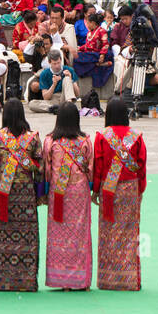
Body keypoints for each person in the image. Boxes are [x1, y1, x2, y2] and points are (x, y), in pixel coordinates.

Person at [0, 98, 43, 292]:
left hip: (4, 195)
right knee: (28, 237)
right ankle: (26, 281)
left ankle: (4, 281)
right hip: (26, 195)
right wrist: (38, 191)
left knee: (4, 236)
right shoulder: (33, 138)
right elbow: (40, 169)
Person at [93, 96, 147, 291]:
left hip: (109, 190)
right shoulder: (137, 136)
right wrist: (139, 189)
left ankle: (108, 279)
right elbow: (141, 166)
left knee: (108, 233)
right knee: (130, 233)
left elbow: (98, 166)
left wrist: (96, 189)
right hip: (130, 189)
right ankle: (129, 279)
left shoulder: (102, 136)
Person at [42, 101, 93, 290]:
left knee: (59, 234)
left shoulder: (51, 142)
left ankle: (61, 280)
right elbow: (90, 168)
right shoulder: (85, 141)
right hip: (79, 194)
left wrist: (46, 190)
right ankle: (81, 280)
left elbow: (47, 170)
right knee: (80, 234)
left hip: (59, 194)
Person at [30, 47, 81, 113]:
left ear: (61, 60)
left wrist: (71, 79)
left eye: (58, 63)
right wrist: (54, 84)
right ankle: (57, 108)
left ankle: (68, 106)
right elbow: (46, 97)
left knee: (67, 78)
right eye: (54, 64)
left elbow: (77, 94)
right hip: (53, 100)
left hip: (66, 97)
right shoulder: (44, 74)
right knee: (32, 104)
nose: (57, 66)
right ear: (49, 62)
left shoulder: (69, 70)